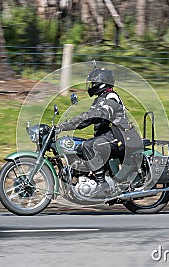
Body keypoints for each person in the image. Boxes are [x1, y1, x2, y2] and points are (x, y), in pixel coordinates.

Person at [57, 67, 141, 197]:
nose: (91, 85)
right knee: (81, 145)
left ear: (102, 82)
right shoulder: (100, 99)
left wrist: (68, 125)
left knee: (89, 145)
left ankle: (102, 184)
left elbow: (98, 115)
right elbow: (88, 117)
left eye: (93, 83)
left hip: (121, 135)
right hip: (110, 135)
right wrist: (66, 125)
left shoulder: (111, 96)